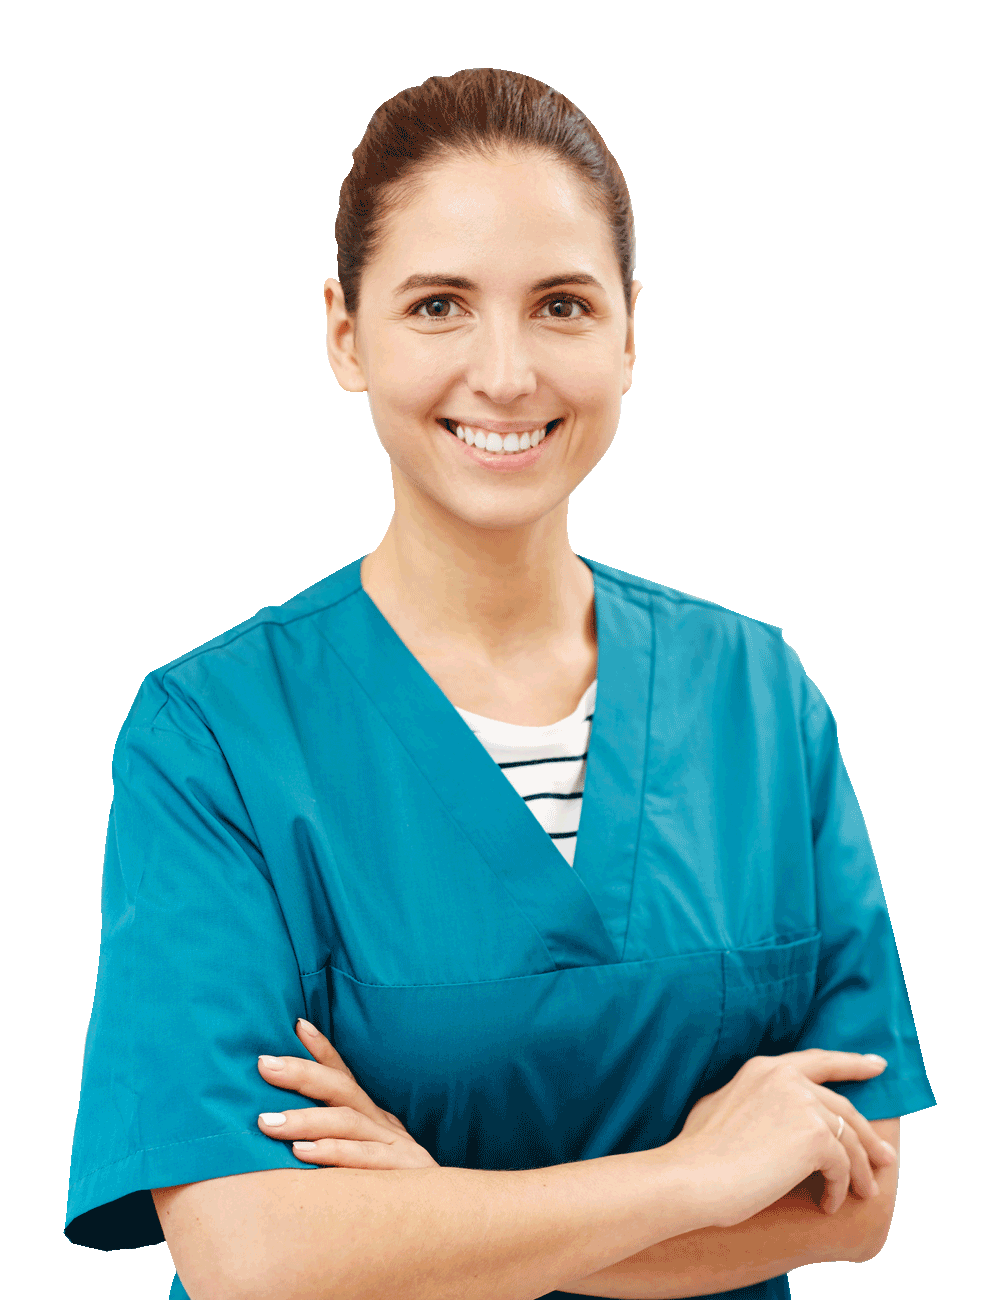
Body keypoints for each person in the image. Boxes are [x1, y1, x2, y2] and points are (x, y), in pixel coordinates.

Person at [65, 69, 935, 1300]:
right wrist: (692, 1176)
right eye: (438, 305)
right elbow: (249, 1254)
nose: (507, 373)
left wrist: (422, 1213)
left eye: (561, 306)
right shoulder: (213, 736)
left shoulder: (760, 697)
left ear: (629, 333)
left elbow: (852, 1204)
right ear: (344, 334)